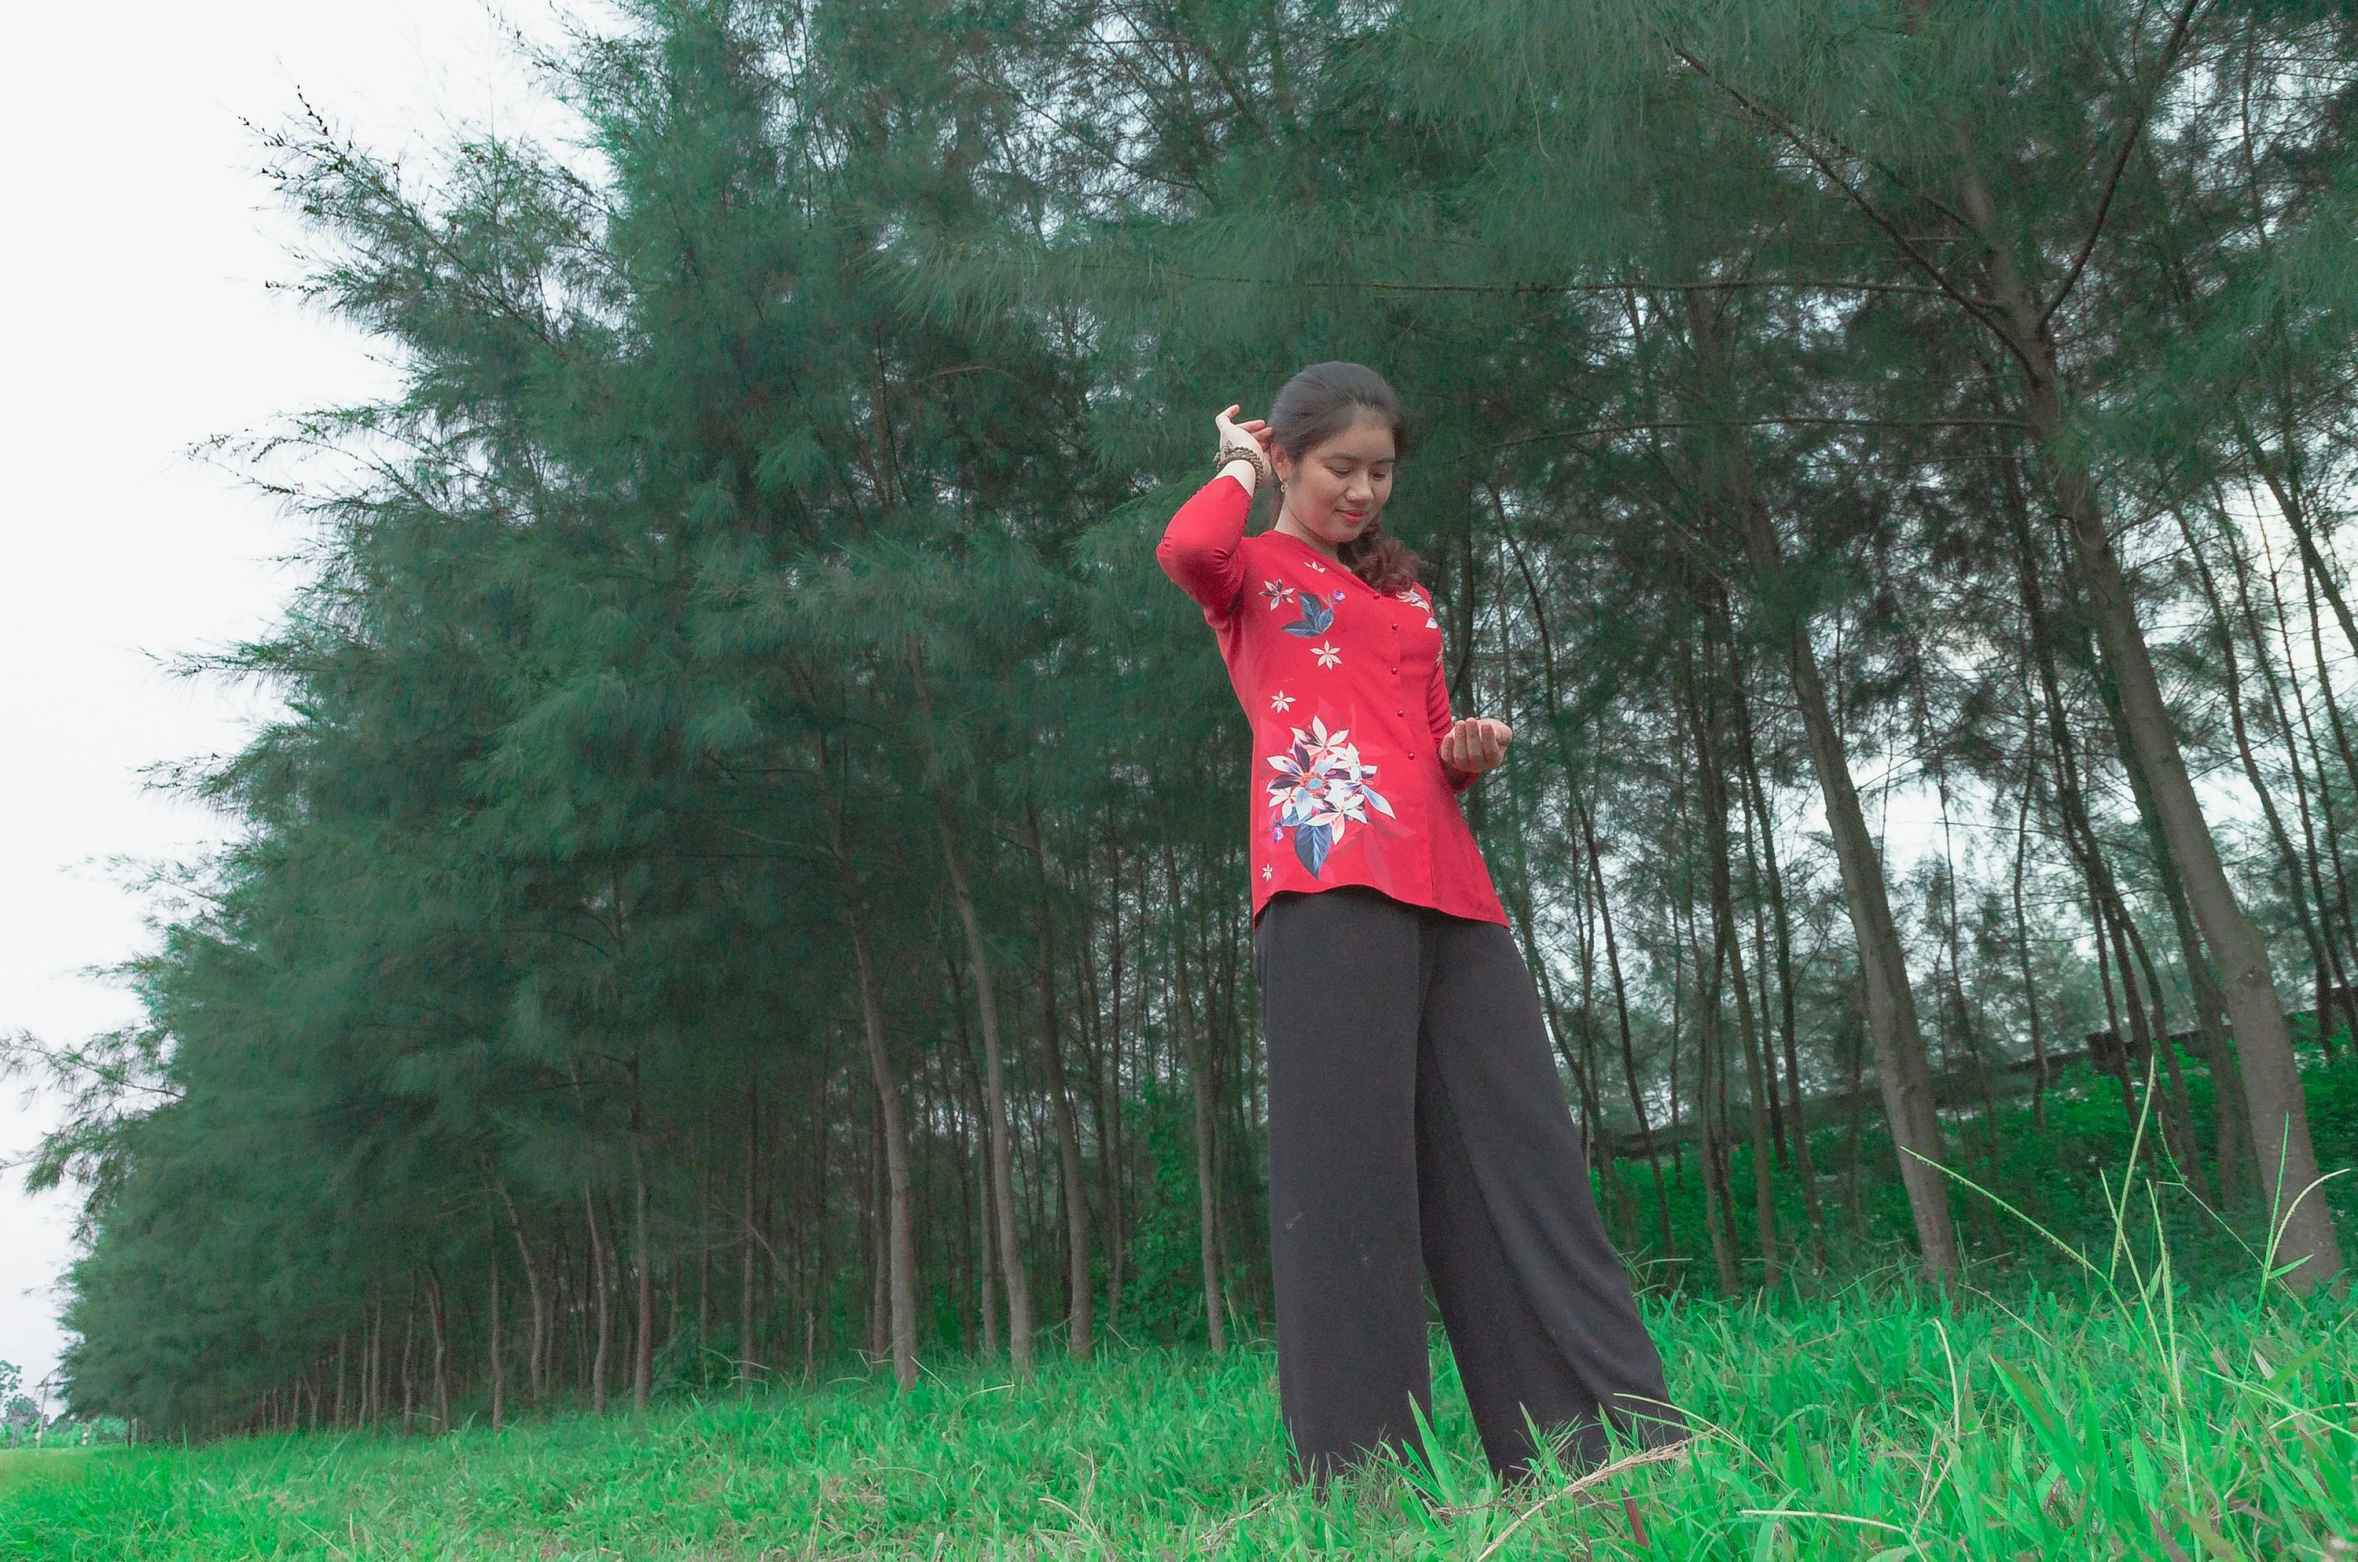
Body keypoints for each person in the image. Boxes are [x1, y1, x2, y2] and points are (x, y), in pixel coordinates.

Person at [1156, 361, 1683, 1487]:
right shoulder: (1248, 571)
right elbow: (1186, 551)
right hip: (1325, 882)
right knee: (1349, 1185)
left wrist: (1466, 752)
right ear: (1290, 458)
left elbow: (1432, 736)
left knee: (1525, 1161)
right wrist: (1239, 467)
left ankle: (1598, 1445)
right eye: (1339, 467)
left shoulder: (1406, 600)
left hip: (1453, 891)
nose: (1363, 490)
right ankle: (1364, 1480)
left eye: (1381, 472)